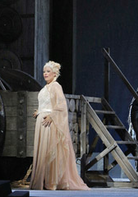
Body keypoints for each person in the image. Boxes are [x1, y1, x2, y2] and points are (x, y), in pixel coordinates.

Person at [30, 61, 89, 190]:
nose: (45, 73)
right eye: (44, 71)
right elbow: (46, 103)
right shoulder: (45, 88)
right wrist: (39, 111)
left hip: (50, 124)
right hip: (42, 123)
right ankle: (44, 180)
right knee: (43, 153)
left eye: (48, 71)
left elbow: (61, 106)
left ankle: (52, 182)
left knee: (50, 153)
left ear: (55, 73)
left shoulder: (56, 86)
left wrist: (52, 116)